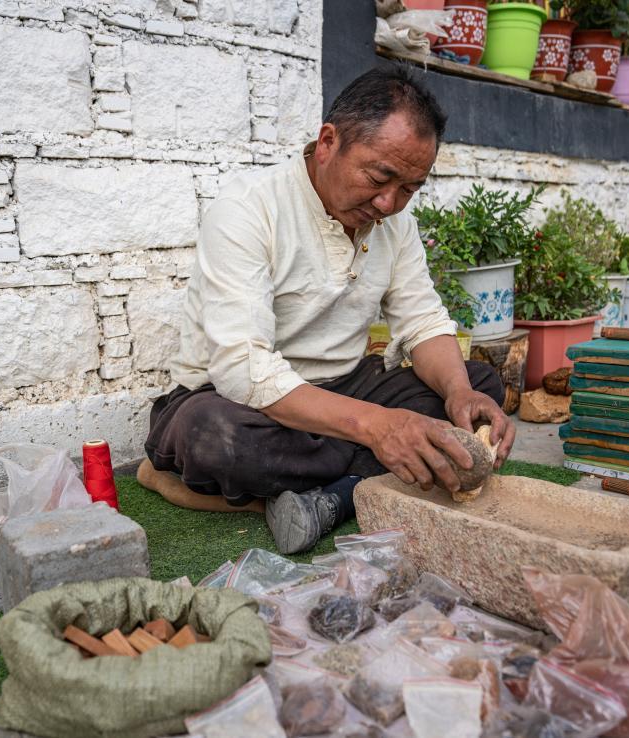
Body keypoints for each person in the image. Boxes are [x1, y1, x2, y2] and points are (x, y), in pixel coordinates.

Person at [137, 64, 515, 554]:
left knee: (475, 387)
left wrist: (458, 392)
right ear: (328, 142)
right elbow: (243, 369)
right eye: (379, 177)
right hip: (242, 402)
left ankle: (317, 495)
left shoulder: (395, 224)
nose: (389, 203)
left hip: (344, 389)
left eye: (409, 189)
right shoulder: (248, 208)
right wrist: (378, 428)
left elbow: (422, 322)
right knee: (214, 436)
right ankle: (354, 483)